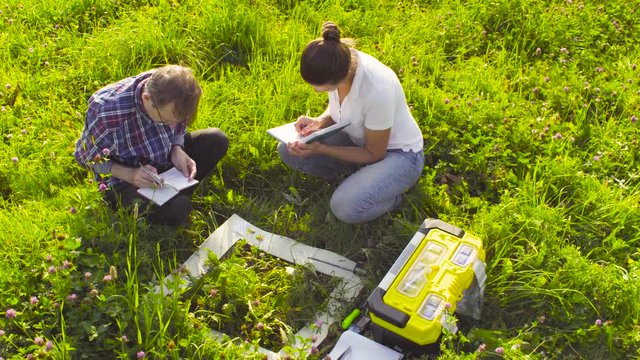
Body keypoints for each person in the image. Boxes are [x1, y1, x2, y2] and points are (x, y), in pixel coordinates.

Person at [278, 22, 424, 224]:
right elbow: (341, 109)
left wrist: (322, 149)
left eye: (320, 87)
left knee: (345, 208)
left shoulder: (377, 90)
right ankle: (359, 178)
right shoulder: (340, 60)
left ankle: (393, 195)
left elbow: (374, 153)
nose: (317, 92)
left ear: (339, 78)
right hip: (358, 140)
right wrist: (319, 122)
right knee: (287, 149)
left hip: (399, 156)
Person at [75, 65, 229, 227]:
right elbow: (85, 159)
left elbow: (178, 125)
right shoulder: (105, 112)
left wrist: (177, 147)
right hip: (126, 179)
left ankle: (174, 192)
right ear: (146, 99)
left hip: (163, 158)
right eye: (166, 121)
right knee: (179, 208)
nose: (172, 125)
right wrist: (130, 174)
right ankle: (171, 200)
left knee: (217, 140)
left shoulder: (174, 88)